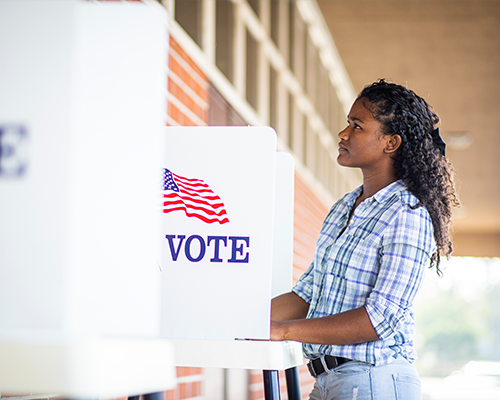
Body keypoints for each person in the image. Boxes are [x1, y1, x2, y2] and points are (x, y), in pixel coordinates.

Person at [270, 79, 459, 400]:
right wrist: (245, 319)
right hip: (327, 380)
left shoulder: (407, 213)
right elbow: (307, 293)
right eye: (348, 123)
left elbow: (380, 318)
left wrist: (282, 331)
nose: (343, 134)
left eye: (357, 126)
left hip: (374, 381)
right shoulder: (343, 207)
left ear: (391, 143)